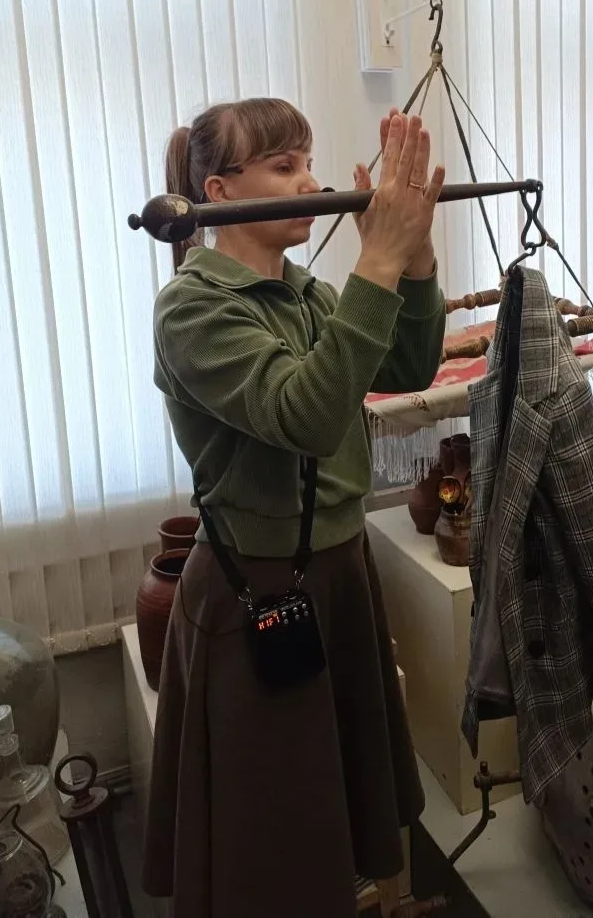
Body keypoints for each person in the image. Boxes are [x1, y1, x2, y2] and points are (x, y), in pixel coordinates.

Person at [142, 98, 446, 918]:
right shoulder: (193, 309)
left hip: (338, 574)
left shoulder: (309, 295)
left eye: (309, 162)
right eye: (285, 166)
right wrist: (377, 259)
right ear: (220, 190)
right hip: (258, 587)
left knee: (331, 805)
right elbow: (307, 417)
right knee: (273, 834)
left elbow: (407, 366)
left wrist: (414, 256)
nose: (312, 182)